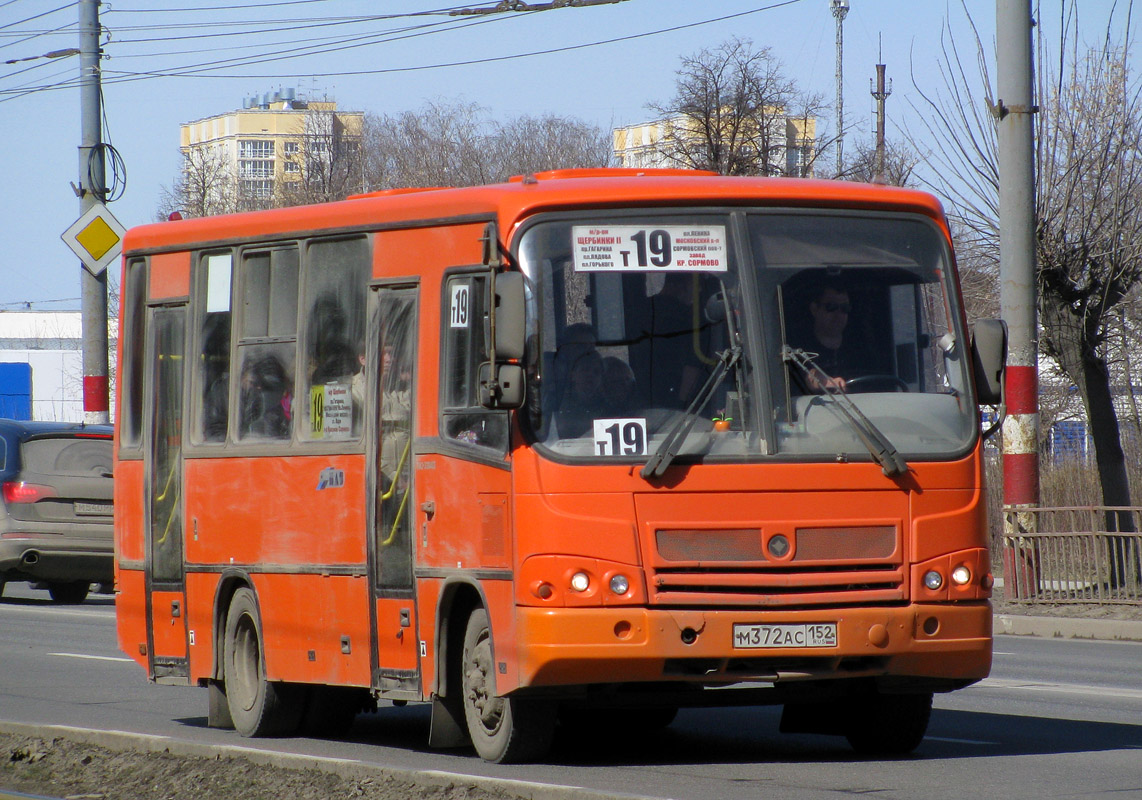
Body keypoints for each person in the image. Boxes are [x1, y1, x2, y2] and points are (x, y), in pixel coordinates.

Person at [792, 279, 872, 393]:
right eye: (831, 307)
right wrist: (822, 381)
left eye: (844, 308)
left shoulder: (860, 348)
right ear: (814, 309)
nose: (838, 314)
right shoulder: (800, 350)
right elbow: (808, 376)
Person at [554, 349, 605, 438]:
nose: (590, 375)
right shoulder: (558, 404)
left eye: (596, 372)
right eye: (585, 370)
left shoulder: (607, 407)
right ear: (572, 375)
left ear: (601, 378)